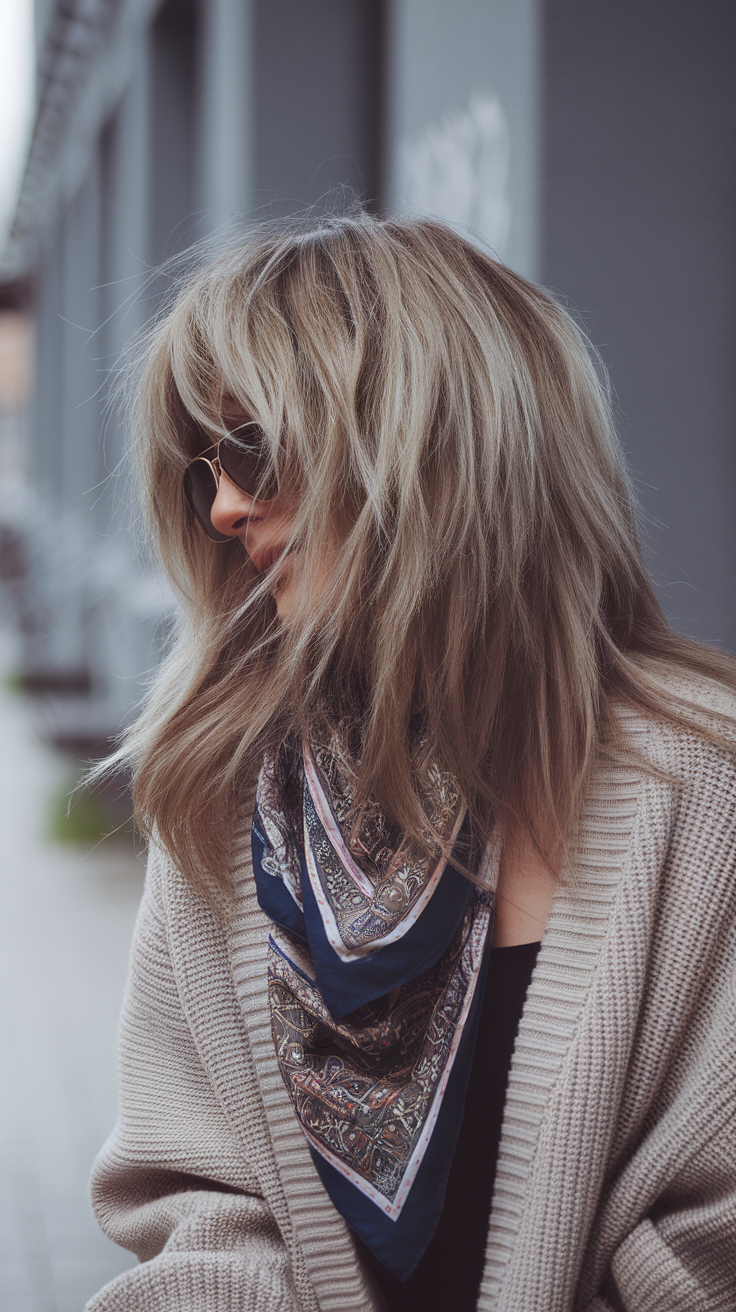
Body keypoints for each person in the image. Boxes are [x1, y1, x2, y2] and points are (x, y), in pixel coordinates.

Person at [85, 213, 736, 1312]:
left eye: (260, 448)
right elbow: (200, 1208)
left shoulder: (704, 789)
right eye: (204, 469)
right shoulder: (225, 798)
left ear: (433, 448)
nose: (227, 505)